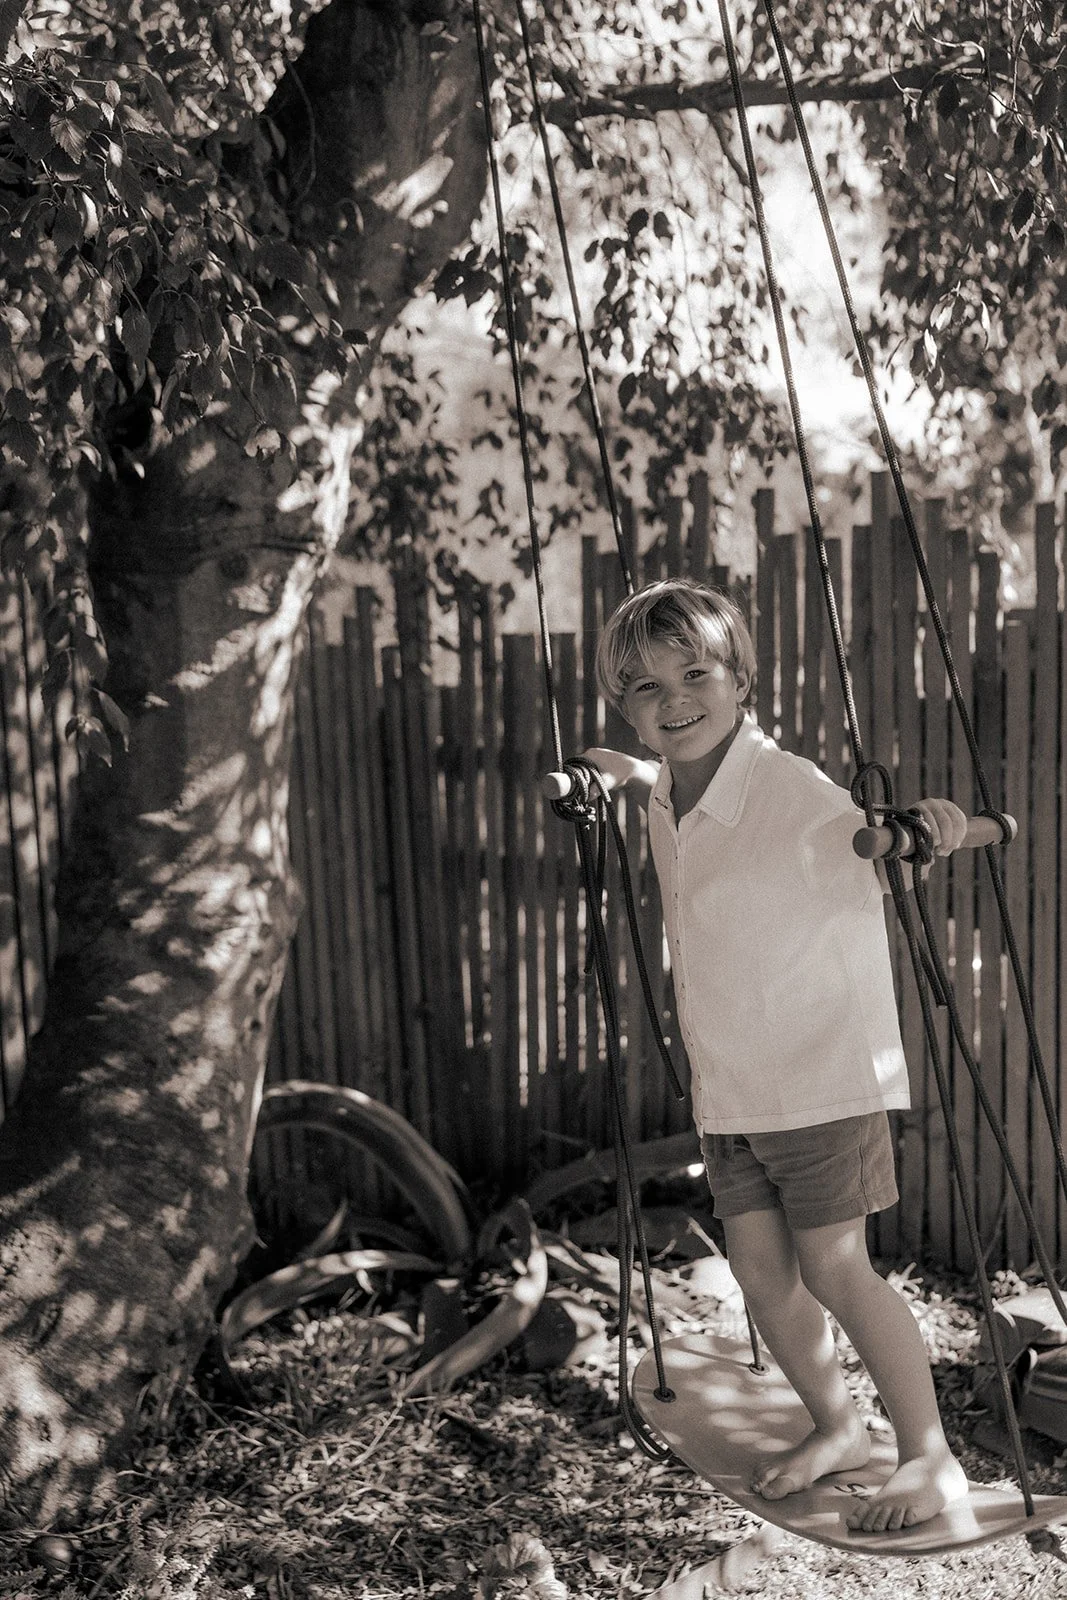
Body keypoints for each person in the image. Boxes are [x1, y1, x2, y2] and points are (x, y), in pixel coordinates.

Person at [585, 576, 970, 1535]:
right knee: (760, 1276)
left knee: (838, 1269)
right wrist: (622, 773)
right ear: (622, 707)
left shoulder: (795, 791)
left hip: (818, 1079)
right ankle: (836, 1425)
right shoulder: (669, 791)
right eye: (642, 687)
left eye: (693, 673)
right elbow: (648, 779)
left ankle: (930, 1455)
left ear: (741, 679)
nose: (671, 699)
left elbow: (877, 845)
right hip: (735, 1089)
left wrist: (931, 829)